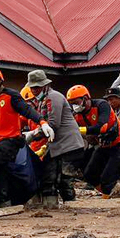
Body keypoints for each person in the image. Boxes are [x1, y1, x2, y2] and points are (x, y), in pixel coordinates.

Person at [0, 66, 53, 211]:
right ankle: (2, 202)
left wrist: (42, 122)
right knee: (0, 171)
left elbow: (27, 110)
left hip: (10, 141)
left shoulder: (12, 96)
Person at [23, 70, 86, 208]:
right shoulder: (42, 101)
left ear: (45, 85)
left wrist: (32, 135)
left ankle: (71, 208)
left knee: (64, 179)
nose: (34, 90)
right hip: (56, 147)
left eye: (37, 87)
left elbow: (53, 125)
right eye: (32, 87)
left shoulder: (54, 97)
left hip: (69, 146)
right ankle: (50, 207)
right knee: (48, 176)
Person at [67, 85, 120, 199]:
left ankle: (107, 197)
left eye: (76, 102)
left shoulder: (101, 105)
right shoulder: (77, 116)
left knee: (108, 177)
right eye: (72, 103)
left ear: (86, 98)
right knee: (89, 175)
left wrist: (81, 130)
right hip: (104, 145)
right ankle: (112, 193)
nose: (75, 106)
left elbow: (102, 126)